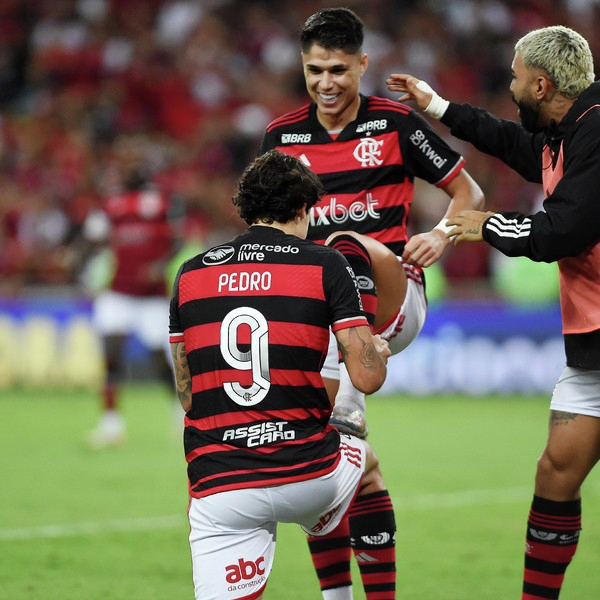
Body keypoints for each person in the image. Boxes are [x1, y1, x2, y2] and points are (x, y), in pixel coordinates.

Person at [258, 7, 484, 599]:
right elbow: (266, 230)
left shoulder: (397, 125)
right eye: (313, 71)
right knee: (331, 471)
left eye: (337, 69)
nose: (325, 83)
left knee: (341, 245)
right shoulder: (281, 138)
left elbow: (469, 191)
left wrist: (442, 233)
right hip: (318, 325)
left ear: (361, 64)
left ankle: (352, 396)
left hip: (391, 301)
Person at [387, 24, 600, 600]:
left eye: (513, 76)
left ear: (542, 83)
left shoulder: (598, 131)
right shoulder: (567, 133)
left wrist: (488, 227)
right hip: (592, 344)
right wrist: (438, 107)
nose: (509, 86)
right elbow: (512, 143)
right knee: (556, 472)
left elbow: (567, 230)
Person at [168, 149, 391, 600]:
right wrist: (376, 351)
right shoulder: (325, 263)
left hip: (219, 486)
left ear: (246, 207)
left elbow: (188, 396)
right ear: (305, 208)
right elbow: (366, 379)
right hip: (308, 476)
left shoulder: (190, 274)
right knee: (364, 463)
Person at [82, 133, 184, 449]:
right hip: (118, 291)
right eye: (126, 163)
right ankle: (111, 424)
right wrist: (86, 267)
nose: (131, 169)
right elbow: (93, 237)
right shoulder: (109, 202)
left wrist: (161, 264)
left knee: (159, 361)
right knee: (110, 354)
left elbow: (178, 239)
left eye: (136, 163)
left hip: (152, 295)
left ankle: (180, 414)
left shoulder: (163, 201)